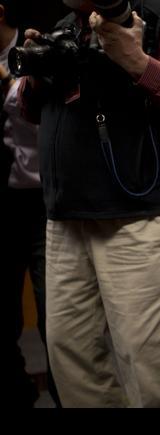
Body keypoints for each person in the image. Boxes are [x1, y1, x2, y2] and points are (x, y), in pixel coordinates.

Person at [18, 0, 160, 407]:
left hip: (138, 218)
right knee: (72, 363)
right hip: (65, 218)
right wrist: (41, 72)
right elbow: (30, 110)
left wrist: (138, 61)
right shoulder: (66, 24)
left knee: (150, 370)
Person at [1, 0, 58, 407]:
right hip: (2, 204)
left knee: (53, 313)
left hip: (45, 200)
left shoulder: (37, 48)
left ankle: (64, 396)